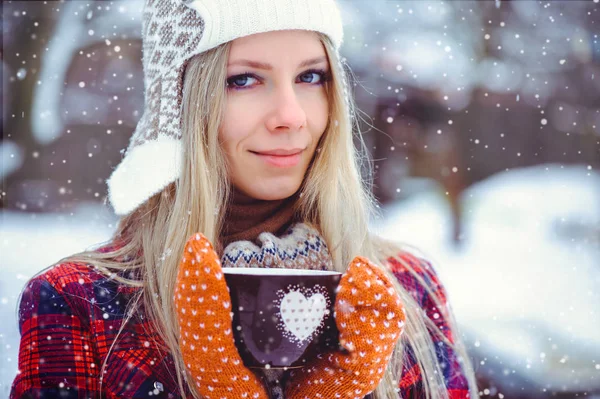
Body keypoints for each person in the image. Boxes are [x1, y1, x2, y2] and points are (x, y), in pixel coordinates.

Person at [10, 0, 480, 398]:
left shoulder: (399, 288)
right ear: (180, 105)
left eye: (311, 77)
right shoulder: (83, 302)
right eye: (244, 80)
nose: (290, 116)